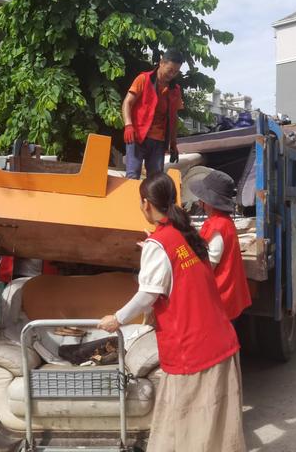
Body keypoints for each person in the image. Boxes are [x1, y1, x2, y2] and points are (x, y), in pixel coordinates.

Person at [98, 172, 246, 452]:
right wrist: (153, 245)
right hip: (219, 342)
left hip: (193, 352)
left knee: (190, 432)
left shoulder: (163, 242)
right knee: (216, 434)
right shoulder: (185, 234)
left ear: (145, 204)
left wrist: (116, 318)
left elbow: (147, 296)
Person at [189, 170, 252, 321]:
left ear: (207, 201)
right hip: (228, 293)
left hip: (220, 295)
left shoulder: (217, 226)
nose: (198, 201)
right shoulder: (224, 222)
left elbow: (208, 265)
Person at [122, 49, 184, 179]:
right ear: (161, 63)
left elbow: (174, 118)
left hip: (158, 141)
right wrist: (128, 125)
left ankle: (150, 200)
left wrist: (173, 142)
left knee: (155, 181)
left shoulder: (175, 90)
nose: (172, 74)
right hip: (137, 136)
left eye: (176, 72)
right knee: (132, 177)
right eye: (170, 70)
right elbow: (127, 102)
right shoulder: (143, 79)